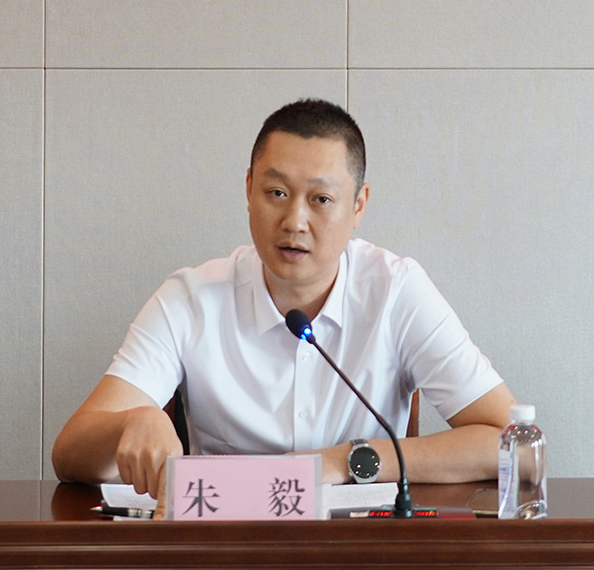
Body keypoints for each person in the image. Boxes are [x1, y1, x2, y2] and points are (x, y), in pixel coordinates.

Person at [52, 99, 515, 518]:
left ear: (358, 206)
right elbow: (69, 453)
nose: (294, 221)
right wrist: (132, 423)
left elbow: (511, 443)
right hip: (226, 552)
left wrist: (344, 461)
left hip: (360, 555)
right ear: (249, 189)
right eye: (276, 193)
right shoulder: (191, 299)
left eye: (321, 200)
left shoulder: (395, 292)